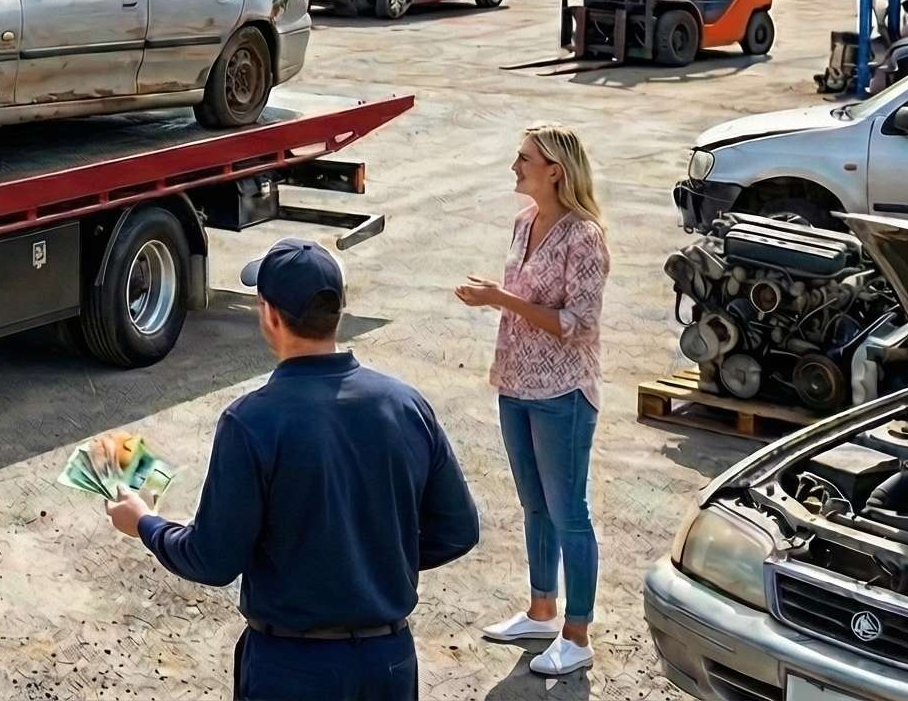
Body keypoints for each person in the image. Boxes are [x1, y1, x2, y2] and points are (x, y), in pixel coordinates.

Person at [108, 239, 479, 700]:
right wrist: (369, 561)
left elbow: (212, 559)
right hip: (389, 663)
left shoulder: (251, 421)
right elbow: (459, 530)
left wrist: (145, 524)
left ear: (269, 315)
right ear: (340, 308)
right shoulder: (406, 405)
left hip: (291, 668)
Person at [456, 124, 609, 679]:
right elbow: (525, 302)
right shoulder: (525, 222)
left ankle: (577, 634)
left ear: (555, 172)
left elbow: (578, 324)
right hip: (516, 385)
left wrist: (500, 298)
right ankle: (542, 612)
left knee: (570, 514)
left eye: (524, 159)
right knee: (535, 506)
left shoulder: (584, 237)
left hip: (563, 393)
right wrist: (497, 299)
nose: (514, 166)